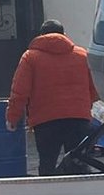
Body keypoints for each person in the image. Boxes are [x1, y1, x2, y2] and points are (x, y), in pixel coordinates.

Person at [6, 20, 97, 175]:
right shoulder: (82, 55)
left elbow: (20, 91)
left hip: (46, 122)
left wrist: (12, 118)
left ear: (41, 35)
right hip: (78, 119)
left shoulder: (30, 57)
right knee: (78, 164)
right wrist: (85, 107)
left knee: (47, 164)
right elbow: (94, 89)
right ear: (64, 35)